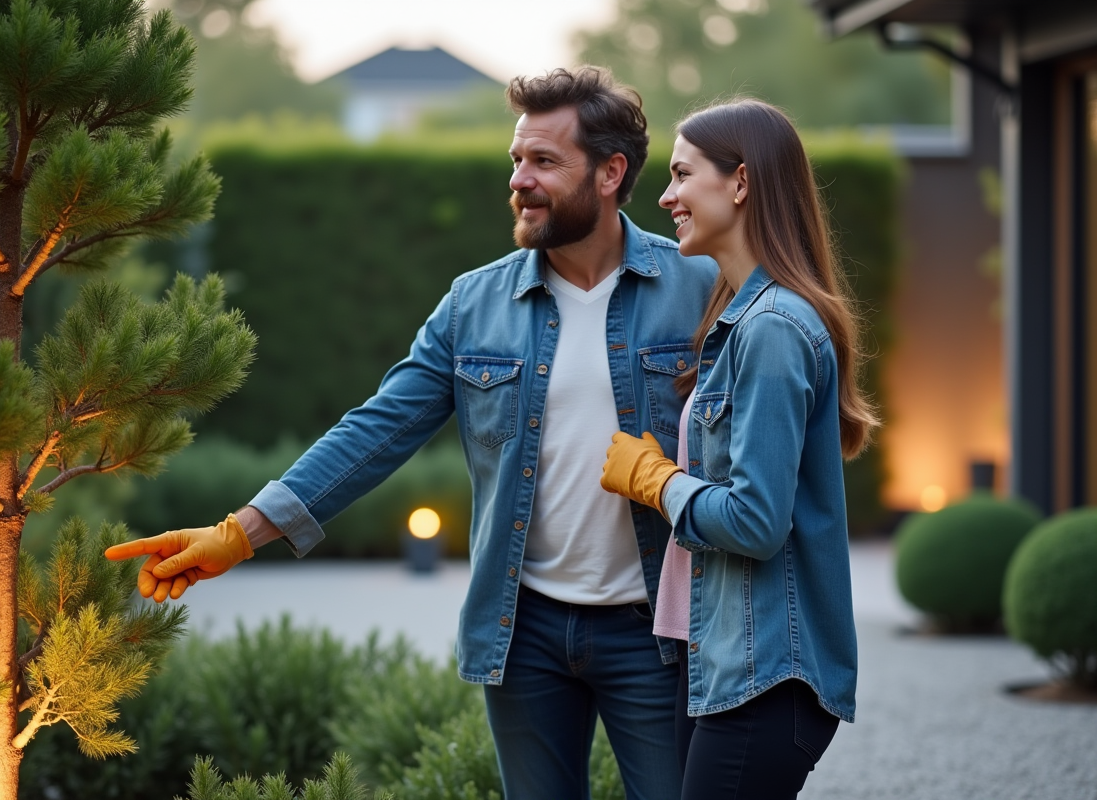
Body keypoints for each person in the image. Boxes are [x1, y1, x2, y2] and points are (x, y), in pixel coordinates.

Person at [105, 66, 718, 800]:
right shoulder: (474, 304)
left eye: (545, 161)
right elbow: (378, 429)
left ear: (612, 172)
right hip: (523, 634)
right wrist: (240, 533)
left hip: (655, 630)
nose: (520, 179)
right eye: (517, 159)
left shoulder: (700, 285)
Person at [600, 98, 879, 800]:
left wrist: (657, 481)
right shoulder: (742, 320)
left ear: (741, 182)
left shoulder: (772, 329)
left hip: (764, 675)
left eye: (681, 173)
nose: (665, 196)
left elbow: (755, 522)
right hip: (726, 661)